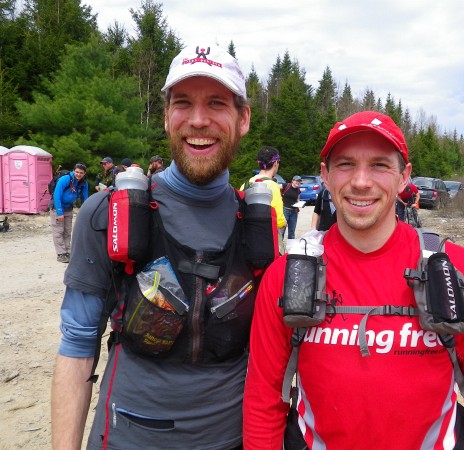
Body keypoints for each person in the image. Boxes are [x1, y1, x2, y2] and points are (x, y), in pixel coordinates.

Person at [243, 111, 464, 449]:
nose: (361, 181)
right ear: (326, 176)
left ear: (404, 177)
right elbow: (263, 401)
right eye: (346, 164)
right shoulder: (285, 276)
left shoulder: (461, 272)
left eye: (379, 165)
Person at [51, 42, 272, 450]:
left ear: (243, 119)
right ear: (167, 116)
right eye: (183, 102)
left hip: (235, 439)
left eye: (217, 103)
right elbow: (78, 344)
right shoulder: (108, 213)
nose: (199, 120)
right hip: (127, 438)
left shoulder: (259, 227)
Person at [241, 146, 287, 240]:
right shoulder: (272, 186)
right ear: (275, 163)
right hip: (266, 238)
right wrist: (284, 222)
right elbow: (279, 220)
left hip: (248, 237)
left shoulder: (246, 184)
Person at [50, 163, 88, 263]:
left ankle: (68, 252)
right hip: (57, 208)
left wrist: (87, 211)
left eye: (81, 173)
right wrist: (59, 212)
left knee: (67, 231)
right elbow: (57, 195)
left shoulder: (84, 183)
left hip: (68, 208)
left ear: (84, 173)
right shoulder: (65, 179)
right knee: (58, 231)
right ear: (73, 171)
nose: (78, 174)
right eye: (77, 172)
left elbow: (85, 198)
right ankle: (61, 253)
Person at [281, 175, 302, 240]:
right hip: (285, 210)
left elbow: (298, 200)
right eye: (296, 181)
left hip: (294, 212)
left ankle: (291, 244)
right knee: (282, 230)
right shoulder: (286, 186)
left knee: (292, 231)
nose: (298, 182)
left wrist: (300, 204)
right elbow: (276, 188)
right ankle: (280, 245)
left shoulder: (298, 190)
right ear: (292, 181)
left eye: (299, 181)